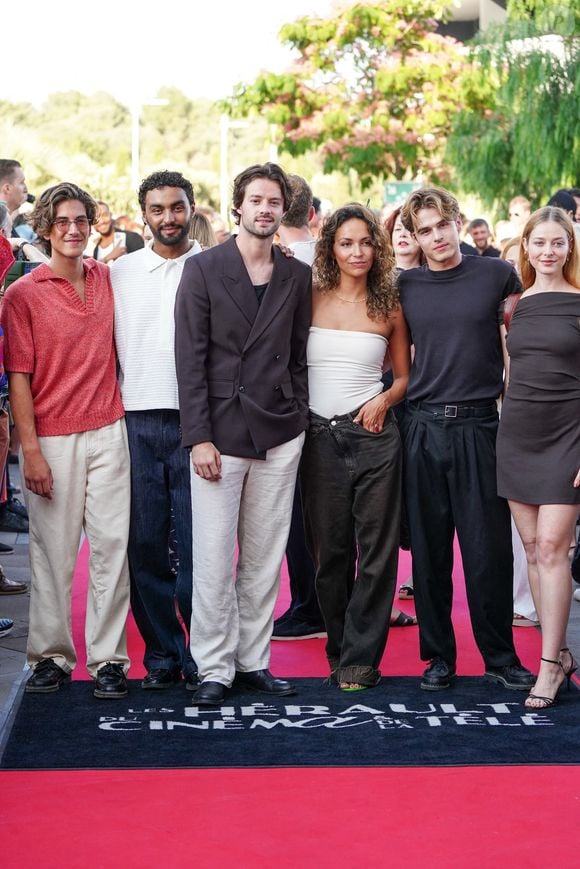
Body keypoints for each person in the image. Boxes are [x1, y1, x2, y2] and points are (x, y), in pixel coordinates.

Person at [175, 162, 311, 706]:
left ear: (283, 210)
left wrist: (296, 414)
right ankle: (213, 667)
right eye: (255, 199)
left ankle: (253, 661)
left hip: (279, 430)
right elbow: (189, 359)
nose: (264, 209)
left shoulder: (296, 275)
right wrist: (197, 437)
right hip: (220, 434)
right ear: (238, 206)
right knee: (212, 556)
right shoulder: (204, 269)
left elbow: (299, 354)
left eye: (273, 201)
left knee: (262, 555)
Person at [398, 186, 534, 692]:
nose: (436, 237)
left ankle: (500, 657)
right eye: (424, 230)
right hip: (422, 426)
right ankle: (438, 658)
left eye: (442, 225)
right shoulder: (404, 286)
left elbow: (523, 341)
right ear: (415, 236)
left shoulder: (497, 274)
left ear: (457, 221)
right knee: (430, 555)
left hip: (481, 425)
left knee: (488, 551)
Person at [1, 182, 131, 698]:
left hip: (108, 427)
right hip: (51, 438)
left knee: (112, 549)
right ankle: (51, 656)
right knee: (52, 552)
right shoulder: (22, 294)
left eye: (81, 220)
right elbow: (19, 377)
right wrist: (30, 451)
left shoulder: (108, 277)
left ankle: (109, 661)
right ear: (46, 228)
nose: (74, 230)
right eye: (63, 222)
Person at [300, 203, 410, 690]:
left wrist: (386, 398)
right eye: (346, 242)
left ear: (377, 247)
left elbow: (404, 376)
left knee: (378, 551)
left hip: (373, 438)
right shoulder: (309, 297)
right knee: (330, 554)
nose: (357, 251)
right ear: (330, 247)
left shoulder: (389, 305)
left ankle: (361, 659)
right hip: (318, 438)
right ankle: (339, 648)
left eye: (366, 241)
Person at [111, 171, 201, 691]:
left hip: (197, 424)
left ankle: (201, 656)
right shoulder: (120, 273)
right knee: (144, 548)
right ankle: (163, 656)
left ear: (191, 209)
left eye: (177, 207)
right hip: (136, 421)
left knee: (197, 552)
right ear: (143, 214)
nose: (169, 217)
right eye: (158, 208)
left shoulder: (212, 268)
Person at [496, 206, 580, 708]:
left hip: (568, 435)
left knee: (553, 548)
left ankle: (549, 667)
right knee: (531, 550)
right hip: (518, 435)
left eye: (558, 242)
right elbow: (511, 375)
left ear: (570, 248)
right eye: (539, 242)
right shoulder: (514, 306)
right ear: (525, 247)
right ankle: (562, 652)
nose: (548, 251)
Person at [272, 174, 325, 641]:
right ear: (311, 213)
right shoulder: (331, 257)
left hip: (289, 400)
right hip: (336, 395)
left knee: (296, 513)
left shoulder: (276, 262)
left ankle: (310, 607)